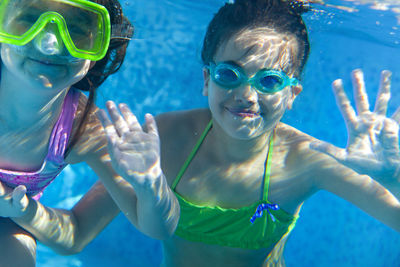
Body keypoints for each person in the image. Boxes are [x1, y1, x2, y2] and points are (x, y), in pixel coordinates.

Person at [5, 0, 400, 266]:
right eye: (230, 74)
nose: (247, 96)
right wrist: (23, 210)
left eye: (269, 81)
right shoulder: (162, 140)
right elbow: (75, 233)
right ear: (206, 80)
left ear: (292, 93)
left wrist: (393, 177)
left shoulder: (307, 160)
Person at [0, 1, 179, 266]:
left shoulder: (84, 129)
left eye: (75, 29)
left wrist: (151, 183)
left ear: (100, 47)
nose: (50, 44)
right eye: (29, 19)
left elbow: (158, 228)